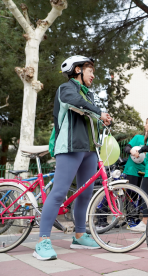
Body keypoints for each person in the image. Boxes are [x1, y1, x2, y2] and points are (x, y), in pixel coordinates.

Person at [34, 56, 112, 261]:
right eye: (90, 70)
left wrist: (102, 119)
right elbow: (72, 102)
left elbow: (89, 116)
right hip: (69, 146)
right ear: (77, 70)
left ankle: (79, 235)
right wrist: (98, 112)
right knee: (59, 192)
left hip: (89, 149)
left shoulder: (89, 95)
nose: (93, 75)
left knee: (85, 194)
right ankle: (42, 241)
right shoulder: (66, 89)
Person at [123, 133, 146, 229]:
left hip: (145, 170)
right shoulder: (138, 137)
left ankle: (137, 218)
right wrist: (131, 151)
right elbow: (126, 148)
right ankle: (130, 219)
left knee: (142, 196)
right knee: (131, 195)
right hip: (132, 169)